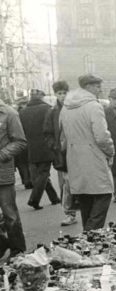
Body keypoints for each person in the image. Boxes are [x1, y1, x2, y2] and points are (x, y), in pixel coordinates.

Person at [59, 74, 115, 231]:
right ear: (88, 87)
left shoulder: (65, 107)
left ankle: (87, 240)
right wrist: (110, 152)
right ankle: (90, 236)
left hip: (74, 158)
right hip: (94, 157)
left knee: (85, 200)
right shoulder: (93, 106)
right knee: (104, 194)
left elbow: (62, 137)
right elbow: (102, 137)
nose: (100, 90)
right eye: (97, 86)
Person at [43, 80, 78, 226]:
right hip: (61, 155)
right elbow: (47, 133)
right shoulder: (52, 112)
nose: (63, 96)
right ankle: (70, 213)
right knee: (65, 185)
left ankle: (84, 209)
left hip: (77, 152)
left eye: (65, 93)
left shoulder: (75, 108)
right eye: (59, 93)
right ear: (55, 94)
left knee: (79, 183)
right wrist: (55, 146)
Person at [20, 88, 60, 211]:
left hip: (30, 147)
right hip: (45, 146)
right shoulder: (47, 109)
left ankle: (54, 198)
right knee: (43, 174)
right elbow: (52, 127)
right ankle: (34, 199)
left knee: (40, 174)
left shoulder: (23, 112)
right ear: (41, 97)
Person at [0, 95, 28, 255]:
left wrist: (2, 154)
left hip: (2, 174)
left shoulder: (9, 114)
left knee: (10, 215)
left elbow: (20, 141)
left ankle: (18, 251)